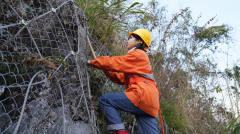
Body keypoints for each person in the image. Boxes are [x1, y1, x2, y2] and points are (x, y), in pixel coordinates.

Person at [88, 29, 160, 134]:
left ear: (139, 41)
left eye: (130, 38)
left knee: (105, 100)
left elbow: (117, 62)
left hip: (143, 95)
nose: (127, 41)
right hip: (151, 101)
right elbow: (120, 78)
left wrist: (94, 62)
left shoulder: (138, 53)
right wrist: (106, 69)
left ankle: (119, 131)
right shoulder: (139, 60)